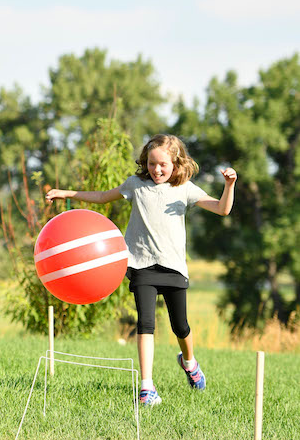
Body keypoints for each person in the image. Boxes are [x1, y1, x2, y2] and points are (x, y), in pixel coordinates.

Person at [46, 134, 237, 406]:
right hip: (141, 264)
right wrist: (67, 193)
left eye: (162, 165)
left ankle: (190, 362)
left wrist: (229, 185)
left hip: (173, 267)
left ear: (176, 163)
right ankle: (146, 388)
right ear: (144, 163)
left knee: (180, 326)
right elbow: (102, 197)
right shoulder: (136, 185)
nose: (156, 170)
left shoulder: (185, 188)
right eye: (151, 163)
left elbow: (222, 209)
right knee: (145, 324)